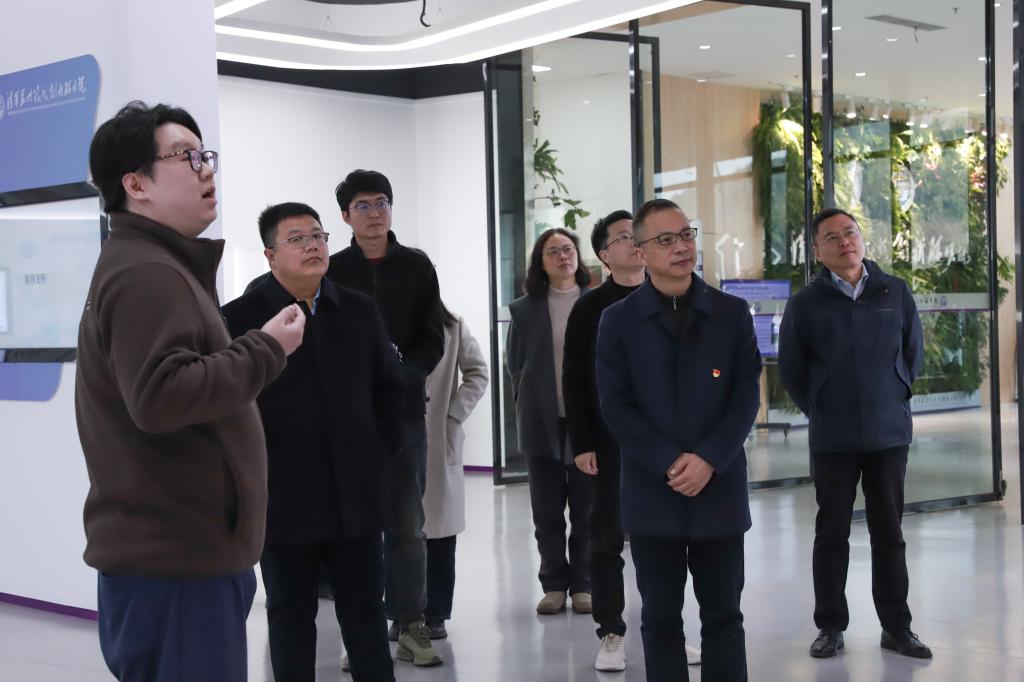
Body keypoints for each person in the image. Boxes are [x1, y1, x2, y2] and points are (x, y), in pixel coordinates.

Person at [76, 101, 304, 682]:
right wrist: (266, 348)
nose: (207, 170)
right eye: (187, 157)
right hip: (176, 562)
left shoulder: (153, 264)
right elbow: (161, 395)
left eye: (206, 156)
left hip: (179, 558)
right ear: (135, 184)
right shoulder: (148, 274)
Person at [221, 202, 404, 681]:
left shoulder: (359, 309)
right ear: (269, 255)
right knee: (290, 616)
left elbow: (390, 388)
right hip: (283, 497)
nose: (313, 246)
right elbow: (228, 408)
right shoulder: (239, 318)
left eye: (318, 236)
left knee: (365, 613)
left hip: (355, 494)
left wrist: (377, 453)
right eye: (297, 239)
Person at [597, 198, 760, 682]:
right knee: (660, 617)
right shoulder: (618, 321)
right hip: (653, 490)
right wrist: (669, 462)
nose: (681, 247)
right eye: (665, 240)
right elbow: (616, 406)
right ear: (641, 252)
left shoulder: (731, 313)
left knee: (724, 615)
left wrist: (708, 458)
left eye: (686, 235)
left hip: (719, 486)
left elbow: (745, 396)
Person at [777, 207, 931, 661]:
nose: (845, 241)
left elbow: (912, 352)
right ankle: (830, 626)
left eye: (851, 232)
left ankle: (897, 627)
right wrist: (820, 406)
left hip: (888, 433)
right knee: (831, 534)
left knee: (890, 533)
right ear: (817, 250)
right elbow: (792, 368)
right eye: (832, 237)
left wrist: (895, 393)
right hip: (834, 435)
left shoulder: (893, 291)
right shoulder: (806, 303)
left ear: (862, 239)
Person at [327, 169, 445, 667]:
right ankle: (363, 632)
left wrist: (402, 373)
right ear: (345, 216)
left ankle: (412, 624)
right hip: (348, 421)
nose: (375, 213)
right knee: (356, 528)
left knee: (407, 526)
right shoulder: (331, 269)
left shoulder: (416, 266)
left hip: (404, 416)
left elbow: (432, 336)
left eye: (382, 203)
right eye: (363, 205)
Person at [506, 227, 593, 615]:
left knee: (587, 509)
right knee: (546, 510)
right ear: (540, 263)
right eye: (553, 251)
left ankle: (584, 584)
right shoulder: (523, 309)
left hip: (587, 422)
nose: (563, 256)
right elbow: (515, 364)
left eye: (568, 249)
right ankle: (554, 584)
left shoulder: (596, 303)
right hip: (540, 421)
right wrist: (528, 400)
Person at [421, 302, 489, 639]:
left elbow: (478, 372)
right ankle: (400, 612)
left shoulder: (453, 324)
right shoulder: (381, 318)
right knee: (397, 533)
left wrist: (453, 415)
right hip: (395, 436)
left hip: (437, 436)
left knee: (440, 533)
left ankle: (436, 613)